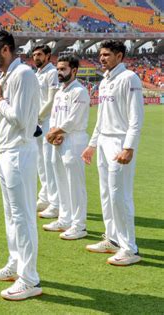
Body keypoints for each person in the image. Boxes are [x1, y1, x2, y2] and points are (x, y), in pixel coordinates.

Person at [0, 30, 41, 301]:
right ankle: (15, 264)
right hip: (4, 151)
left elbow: (23, 122)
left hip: (19, 152)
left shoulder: (24, 75)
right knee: (10, 214)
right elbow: (6, 115)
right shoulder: (7, 77)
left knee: (23, 216)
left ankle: (29, 279)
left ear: (5, 50)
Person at [81, 40, 144, 266]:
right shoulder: (105, 81)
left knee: (120, 195)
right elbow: (101, 117)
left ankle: (130, 248)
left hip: (119, 142)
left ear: (119, 56)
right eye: (101, 54)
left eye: (107, 54)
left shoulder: (129, 79)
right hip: (104, 141)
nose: (102, 58)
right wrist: (92, 144)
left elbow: (136, 118)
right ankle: (113, 239)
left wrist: (129, 147)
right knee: (106, 194)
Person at [44, 55, 90, 240]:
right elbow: (54, 117)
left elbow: (73, 119)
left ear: (74, 70)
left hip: (74, 140)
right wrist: (55, 134)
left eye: (63, 69)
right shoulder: (60, 92)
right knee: (61, 181)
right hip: (59, 140)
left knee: (75, 184)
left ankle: (79, 225)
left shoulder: (79, 91)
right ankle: (64, 219)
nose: (59, 73)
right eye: (58, 69)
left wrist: (56, 133)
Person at [31, 44, 60, 219]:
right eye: (34, 55)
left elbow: (52, 100)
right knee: (40, 162)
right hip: (37, 122)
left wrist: (38, 118)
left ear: (48, 56)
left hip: (48, 121)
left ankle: (55, 203)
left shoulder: (52, 73)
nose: (36, 58)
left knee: (50, 163)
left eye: (39, 54)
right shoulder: (37, 74)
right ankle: (45, 197)